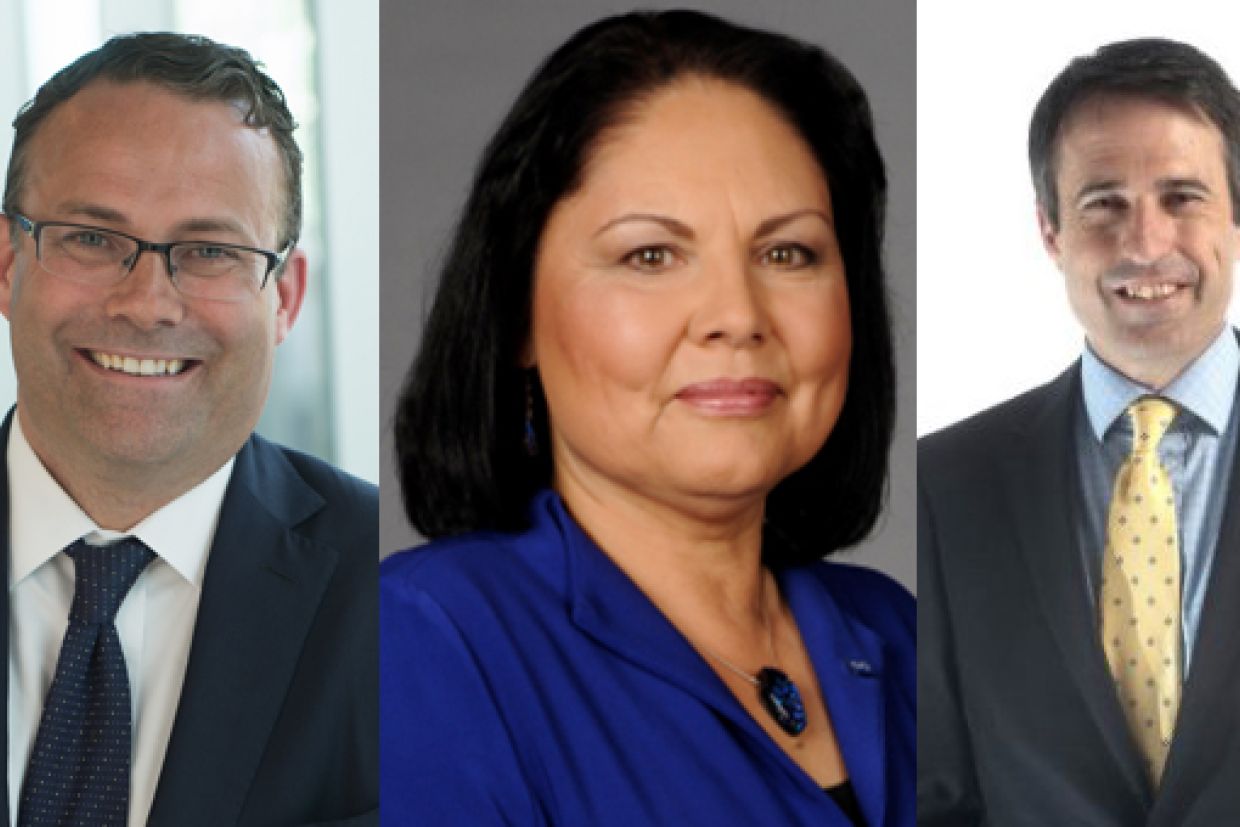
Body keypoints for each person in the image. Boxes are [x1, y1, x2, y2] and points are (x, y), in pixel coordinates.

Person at [383, 10, 913, 826]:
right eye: (651, 255)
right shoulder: (423, 644)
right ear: (518, 311)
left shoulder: (902, 633)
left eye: (788, 253)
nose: (737, 315)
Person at [0, 33, 376, 826]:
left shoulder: (406, 596)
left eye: (209, 251)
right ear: (6, 264)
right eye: (93, 239)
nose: (146, 303)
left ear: (286, 298)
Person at [919, 38, 1240, 825]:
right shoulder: (946, 485)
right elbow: (939, 796)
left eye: (1182, 197)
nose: (1144, 243)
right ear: (1051, 230)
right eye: (1104, 203)